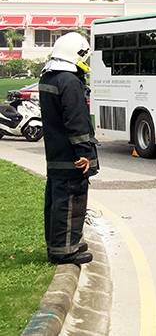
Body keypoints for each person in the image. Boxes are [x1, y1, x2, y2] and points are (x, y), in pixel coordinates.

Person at [40, 32, 97, 265]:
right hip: (72, 156)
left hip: (56, 153)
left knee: (56, 201)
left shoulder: (48, 78)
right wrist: (84, 153)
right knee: (71, 202)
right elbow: (76, 121)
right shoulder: (70, 82)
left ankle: (61, 243)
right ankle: (64, 251)